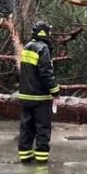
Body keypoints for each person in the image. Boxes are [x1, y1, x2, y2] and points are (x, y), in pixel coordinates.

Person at [17, 20, 59, 164]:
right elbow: (46, 73)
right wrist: (55, 90)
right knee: (42, 127)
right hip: (40, 97)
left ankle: (25, 155)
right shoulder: (43, 48)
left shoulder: (27, 47)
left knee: (26, 127)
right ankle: (41, 157)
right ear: (44, 33)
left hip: (25, 96)